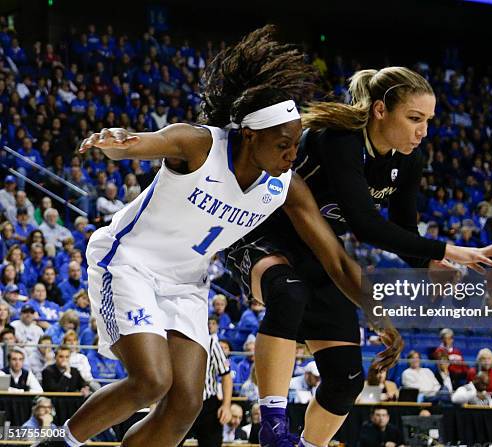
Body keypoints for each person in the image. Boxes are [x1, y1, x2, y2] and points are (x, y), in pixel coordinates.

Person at [66, 26, 399, 447]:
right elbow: (142, 143)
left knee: (187, 403)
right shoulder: (199, 145)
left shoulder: (286, 186)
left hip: (187, 282)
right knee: (151, 381)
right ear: (249, 135)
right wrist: (117, 143)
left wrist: (377, 312)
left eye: (296, 144)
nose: (291, 155)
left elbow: (335, 259)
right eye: (282, 144)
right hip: (127, 262)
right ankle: (55, 440)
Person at [224, 65, 492, 447]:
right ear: (380, 110)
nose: (422, 130)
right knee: (288, 292)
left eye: (428, 120)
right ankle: (273, 426)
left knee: (346, 381)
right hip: (262, 233)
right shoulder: (339, 139)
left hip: (322, 253)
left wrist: (429, 264)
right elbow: (365, 224)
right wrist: (449, 249)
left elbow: (405, 231)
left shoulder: (408, 162)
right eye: (414, 118)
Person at [187, 328, 233, 447]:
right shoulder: (173, 338)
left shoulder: (211, 342)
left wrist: (226, 405)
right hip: (180, 403)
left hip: (207, 404)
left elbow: (226, 375)